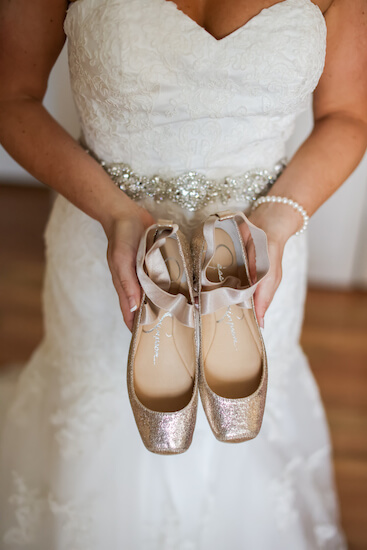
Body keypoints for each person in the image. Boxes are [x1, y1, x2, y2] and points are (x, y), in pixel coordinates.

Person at [0, 0, 366, 547]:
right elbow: (12, 98)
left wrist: (282, 218)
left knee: (241, 429)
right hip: (105, 242)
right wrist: (115, 211)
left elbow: (348, 115)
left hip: (254, 260)